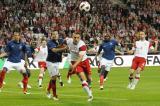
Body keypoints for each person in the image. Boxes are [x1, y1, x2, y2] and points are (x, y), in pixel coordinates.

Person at [67, 32, 93, 102]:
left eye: (78, 37)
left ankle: (89, 87)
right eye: (74, 37)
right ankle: (90, 95)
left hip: (84, 61)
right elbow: (62, 44)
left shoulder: (82, 45)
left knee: (89, 79)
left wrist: (74, 66)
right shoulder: (68, 41)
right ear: (72, 37)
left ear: (80, 38)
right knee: (83, 79)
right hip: (75, 61)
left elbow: (80, 58)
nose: (76, 39)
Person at [46, 31, 67, 100]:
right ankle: (54, 95)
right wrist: (64, 48)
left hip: (57, 62)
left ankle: (48, 90)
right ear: (51, 35)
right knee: (54, 77)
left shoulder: (61, 40)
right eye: (53, 34)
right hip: (50, 62)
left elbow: (67, 43)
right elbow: (54, 50)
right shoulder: (49, 42)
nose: (54, 35)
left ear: (58, 35)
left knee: (53, 77)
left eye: (56, 34)